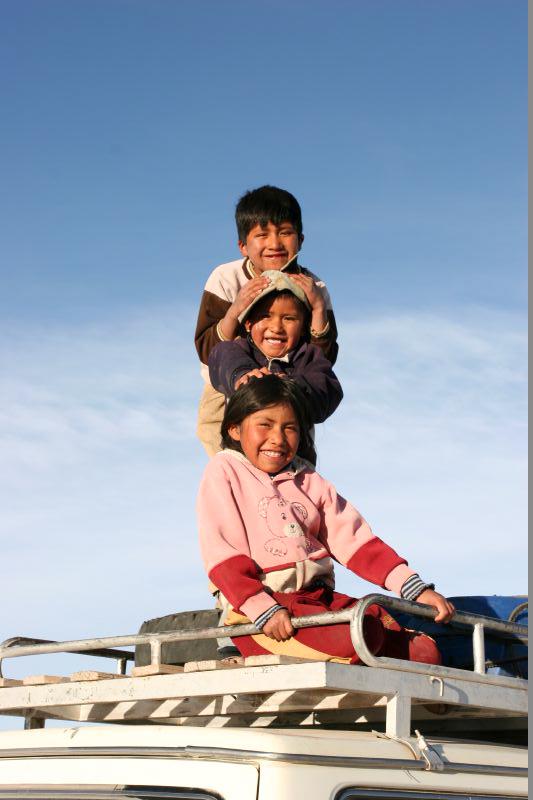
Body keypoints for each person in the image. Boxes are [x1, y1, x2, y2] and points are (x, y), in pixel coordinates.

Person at [197, 376, 455, 664]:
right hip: (264, 610)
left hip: (317, 601)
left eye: (290, 428)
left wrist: (415, 588)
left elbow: (355, 540)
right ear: (234, 429)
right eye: (265, 425)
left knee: (422, 651)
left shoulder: (308, 479)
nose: (278, 439)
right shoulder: (224, 470)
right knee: (362, 637)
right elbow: (222, 549)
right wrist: (260, 606)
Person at [194, 185, 338, 457]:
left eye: (285, 232)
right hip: (229, 383)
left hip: (288, 383)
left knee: (293, 450)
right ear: (243, 246)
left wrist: (317, 307)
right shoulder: (226, 278)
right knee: (224, 450)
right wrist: (235, 310)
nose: (274, 243)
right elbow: (207, 349)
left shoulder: (313, 286)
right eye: (262, 235)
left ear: (301, 239)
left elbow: (323, 360)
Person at [208, 270, 343, 438]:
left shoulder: (309, 357)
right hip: (242, 454)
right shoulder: (239, 349)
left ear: (303, 328)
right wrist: (242, 375)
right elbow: (221, 355)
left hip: (293, 457)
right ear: (248, 323)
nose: (277, 327)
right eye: (265, 316)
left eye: (289, 318)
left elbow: (328, 389)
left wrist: (292, 388)